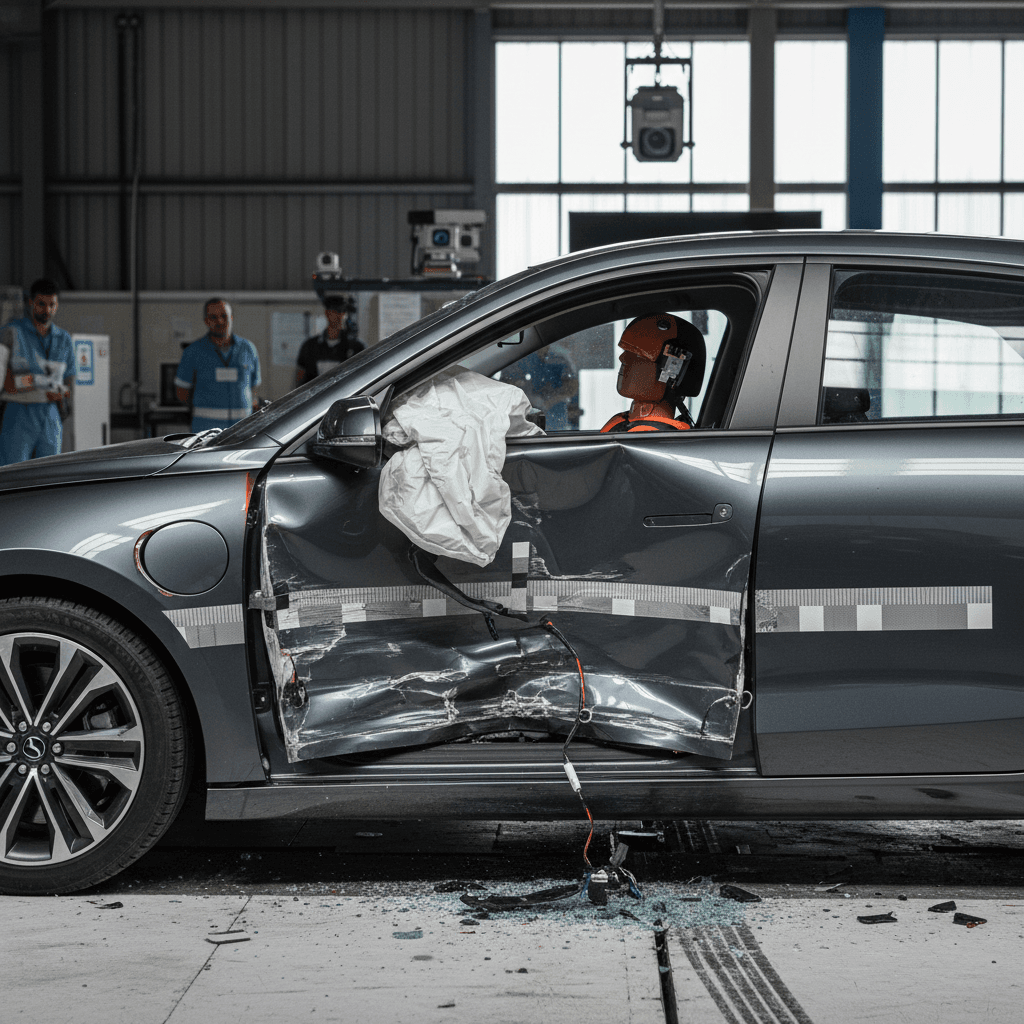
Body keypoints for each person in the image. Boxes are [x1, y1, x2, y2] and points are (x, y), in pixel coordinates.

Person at [0, 278, 75, 466]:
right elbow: (6, 384)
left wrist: (61, 394)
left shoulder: (64, 339)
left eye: (52, 305)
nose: (47, 310)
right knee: (13, 470)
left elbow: (69, 383)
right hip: (18, 412)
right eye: (41, 304)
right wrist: (33, 381)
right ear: (30, 302)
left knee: (49, 472)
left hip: (50, 412)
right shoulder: (11, 333)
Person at [601, 313, 706, 433]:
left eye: (637, 354)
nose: (622, 358)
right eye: (625, 350)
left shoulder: (652, 435)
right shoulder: (623, 423)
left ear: (672, 369)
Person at [175, 298, 261, 433]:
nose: (220, 321)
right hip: (205, 431)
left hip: (243, 430)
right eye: (213, 317)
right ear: (206, 321)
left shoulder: (248, 349)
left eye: (224, 316)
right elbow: (182, 393)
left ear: (231, 318)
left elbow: (254, 386)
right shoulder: (193, 352)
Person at [295, 295, 364, 386]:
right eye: (336, 311)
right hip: (316, 398)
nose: (340, 315)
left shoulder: (356, 347)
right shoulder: (310, 346)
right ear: (327, 313)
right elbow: (300, 379)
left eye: (344, 312)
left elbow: (362, 378)